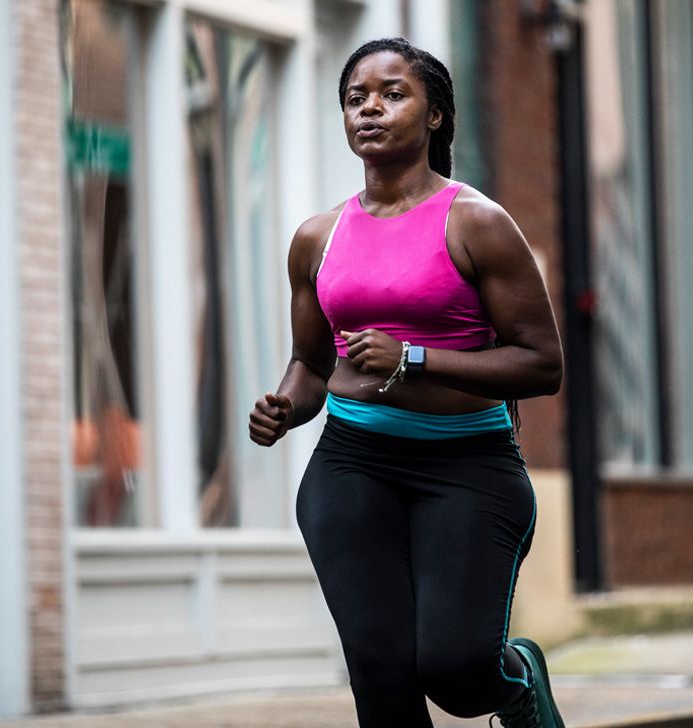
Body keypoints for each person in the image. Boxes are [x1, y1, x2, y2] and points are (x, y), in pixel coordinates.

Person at [248, 37, 566, 728]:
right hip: (353, 464)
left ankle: (517, 682)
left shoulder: (476, 222)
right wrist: (285, 406)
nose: (370, 108)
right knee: (381, 673)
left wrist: (414, 359)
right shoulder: (317, 237)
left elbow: (543, 364)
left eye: (393, 93)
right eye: (355, 98)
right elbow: (312, 363)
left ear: (435, 117)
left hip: (468, 468)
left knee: (453, 671)